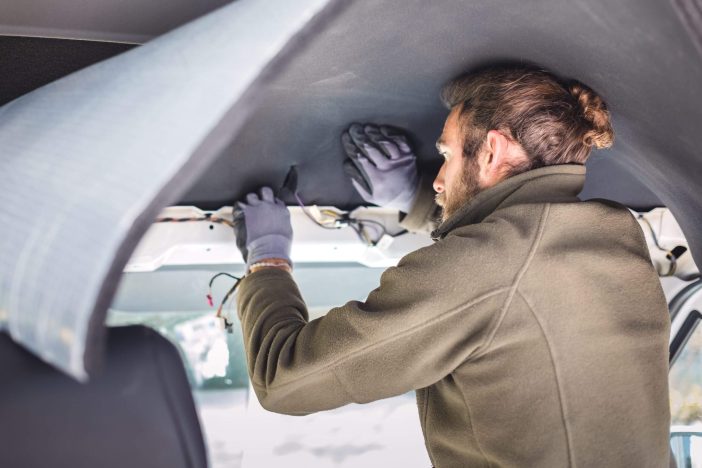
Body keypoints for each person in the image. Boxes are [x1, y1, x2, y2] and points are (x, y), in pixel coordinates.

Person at [231, 66, 671, 467]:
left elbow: (284, 379)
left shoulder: (490, 267)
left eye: (447, 155)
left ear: (493, 149)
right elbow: (511, 260)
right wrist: (414, 199)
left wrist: (267, 261)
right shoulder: (618, 233)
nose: (438, 179)